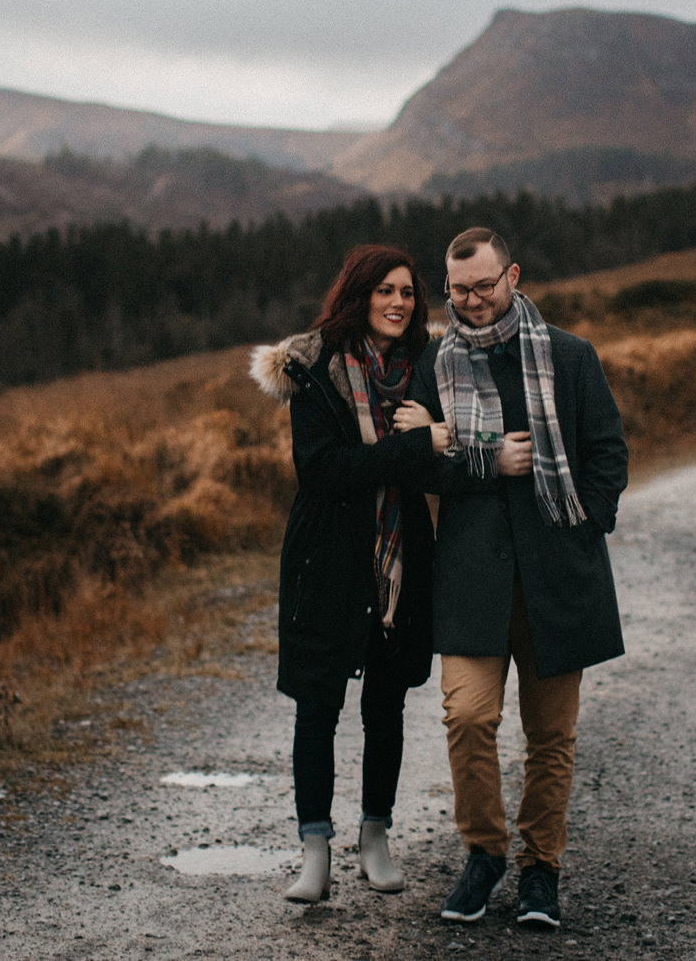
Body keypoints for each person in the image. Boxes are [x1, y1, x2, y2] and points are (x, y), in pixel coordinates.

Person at [407, 226, 628, 929]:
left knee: (550, 735)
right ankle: (484, 852)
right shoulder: (433, 366)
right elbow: (417, 463)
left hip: (556, 578)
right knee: (468, 715)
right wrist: (484, 461)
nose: (471, 300)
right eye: (458, 289)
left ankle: (541, 868)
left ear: (513, 276)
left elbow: (607, 453)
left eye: (483, 284)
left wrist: (582, 525)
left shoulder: (569, 356)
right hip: (470, 578)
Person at [250, 243, 451, 903]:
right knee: (317, 704)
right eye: (384, 290)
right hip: (328, 557)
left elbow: (436, 468)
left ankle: (375, 836)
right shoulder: (312, 367)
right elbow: (325, 469)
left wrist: (426, 444)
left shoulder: (428, 371)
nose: (398, 302)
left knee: (385, 702)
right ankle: (314, 849)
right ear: (360, 294)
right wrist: (413, 444)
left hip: (399, 557)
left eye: (407, 292)